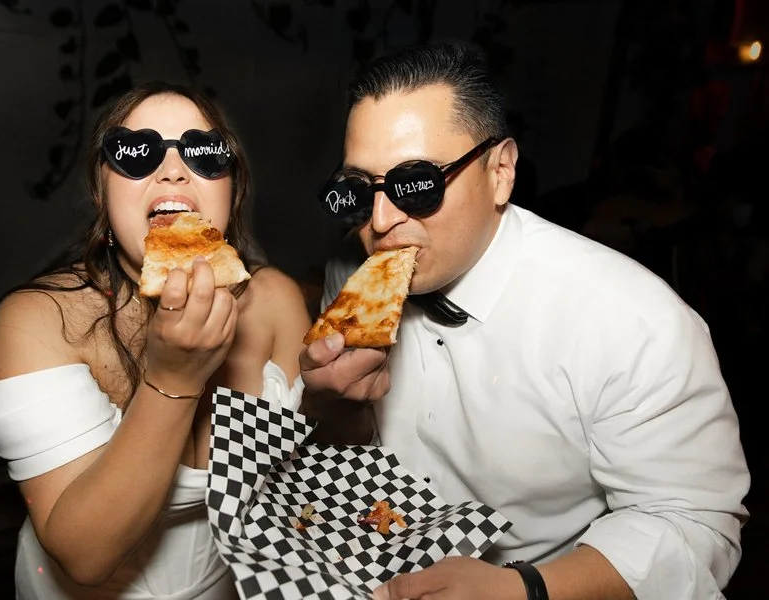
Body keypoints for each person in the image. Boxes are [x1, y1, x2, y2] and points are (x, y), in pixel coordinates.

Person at [299, 42, 750, 600]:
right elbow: (345, 457)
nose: (382, 220)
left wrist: (525, 591)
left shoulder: (633, 321)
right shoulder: (350, 272)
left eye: (416, 185)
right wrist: (333, 408)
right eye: (360, 189)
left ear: (501, 172)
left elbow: (696, 527)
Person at [0, 81, 311, 599]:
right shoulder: (38, 320)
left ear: (232, 190)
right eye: (136, 152)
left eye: (203, 154)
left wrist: (343, 403)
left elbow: (309, 480)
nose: (171, 169)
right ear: (102, 193)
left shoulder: (275, 299)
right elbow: (84, 555)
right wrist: (172, 381)